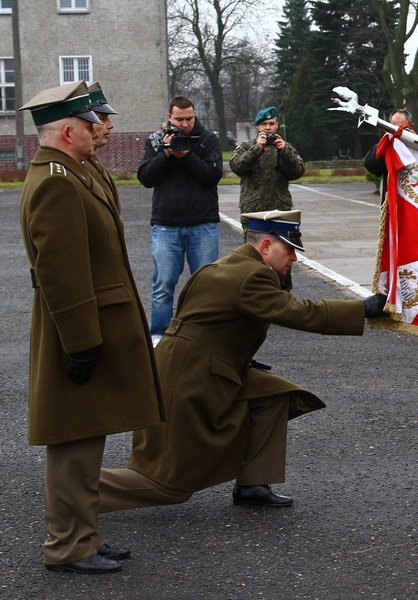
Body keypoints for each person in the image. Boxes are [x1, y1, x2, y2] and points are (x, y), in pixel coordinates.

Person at [97, 210, 388, 512]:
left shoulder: (224, 266)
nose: (294, 259)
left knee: (274, 397)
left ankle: (254, 484)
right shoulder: (254, 275)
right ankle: (76, 492)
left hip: (196, 368)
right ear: (265, 247)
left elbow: (201, 325)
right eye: (289, 250)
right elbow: (299, 313)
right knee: (168, 486)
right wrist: (361, 309)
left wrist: (234, 356)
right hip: (189, 381)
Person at [18, 81, 165, 574]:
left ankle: (85, 535)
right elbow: (62, 273)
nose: (99, 129)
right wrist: (81, 343)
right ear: (66, 130)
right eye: (89, 124)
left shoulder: (76, 171)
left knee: (87, 438)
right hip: (76, 332)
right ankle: (68, 545)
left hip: (91, 327)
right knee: (72, 445)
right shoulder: (57, 181)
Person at [137, 95, 223, 345]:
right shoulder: (156, 140)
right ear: (169, 117)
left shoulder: (208, 139)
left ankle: (207, 333)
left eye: (189, 118)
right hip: (166, 225)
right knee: (163, 284)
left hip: (202, 224)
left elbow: (212, 176)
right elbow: (145, 178)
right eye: (179, 119)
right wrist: (165, 154)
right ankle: (159, 336)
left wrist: (186, 155)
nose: (185, 124)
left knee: (206, 285)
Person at [229, 106, 305, 291]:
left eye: (271, 124)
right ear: (257, 126)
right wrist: (258, 148)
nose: (268, 128)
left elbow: (298, 171)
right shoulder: (247, 147)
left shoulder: (285, 147)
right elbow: (237, 166)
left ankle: (283, 298)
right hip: (254, 213)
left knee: (283, 258)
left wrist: (284, 150)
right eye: (264, 124)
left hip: (280, 213)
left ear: (277, 125)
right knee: (252, 260)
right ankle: (253, 296)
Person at [364, 109, 413, 203]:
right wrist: (385, 143)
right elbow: (371, 166)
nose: (397, 130)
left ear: (410, 125)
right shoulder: (385, 145)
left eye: (401, 126)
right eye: (393, 127)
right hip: (392, 198)